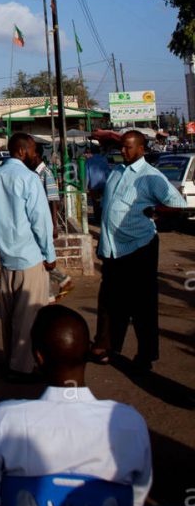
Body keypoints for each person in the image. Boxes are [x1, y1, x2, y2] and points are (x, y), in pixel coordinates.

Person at [0, 305, 152, 506]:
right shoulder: (129, 423)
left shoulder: (4, 420)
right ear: (88, 353)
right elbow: (134, 504)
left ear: (38, 357)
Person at [90, 129, 186, 372]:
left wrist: (155, 211)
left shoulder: (150, 176)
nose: (123, 150)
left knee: (142, 304)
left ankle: (146, 355)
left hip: (139, 247)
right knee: (109, 300)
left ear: (141, 149)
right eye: (122, 146)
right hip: (113, 249)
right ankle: (105, 347)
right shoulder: (117, 172)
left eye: (129, 147)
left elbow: (177, 204)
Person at [0, 133, 56, 379]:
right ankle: (23, 367)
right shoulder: (29, 178)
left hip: (6, 257)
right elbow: (41, 221)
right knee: (29, 315)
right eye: (34, 150)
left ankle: (11, 359)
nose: (36, 155)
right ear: (22, 151)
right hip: (30, 256)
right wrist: (49, 253)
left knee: (9, 314)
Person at [31, 149, 72, 300]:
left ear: (37, 156)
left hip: (45, 222)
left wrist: (54, 225)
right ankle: (59, 284)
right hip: (39, 221)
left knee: (42, 258)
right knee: (40, 258)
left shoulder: (45, 173)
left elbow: (53, 201)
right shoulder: (35, 173)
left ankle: (54, 288)